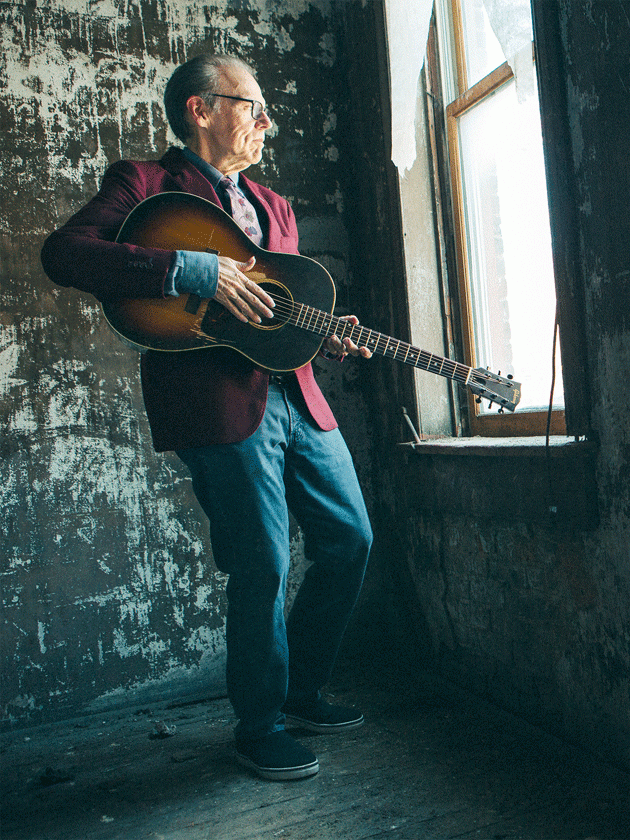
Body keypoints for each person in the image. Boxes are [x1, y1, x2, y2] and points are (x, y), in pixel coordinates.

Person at [41, 54, 373, 782]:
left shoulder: (277, 205)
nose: (266, 121)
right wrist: (189, 270)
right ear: (200, 108)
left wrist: (322, 333)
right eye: (251, 105)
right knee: (262, 561)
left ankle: (302, 690)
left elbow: (274, 316)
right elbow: (66, 253)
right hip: (220, 402)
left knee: (350, 540)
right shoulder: (144, 184)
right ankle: (260, 726)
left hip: (298, 396)